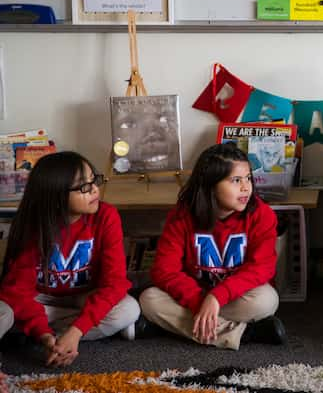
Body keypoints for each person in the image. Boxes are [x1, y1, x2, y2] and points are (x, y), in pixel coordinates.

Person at [138, 143, 285, 350]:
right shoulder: (182, 216)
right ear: (211, 185)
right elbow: (165, 270)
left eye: (248, 178)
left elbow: (261, 268)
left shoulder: (261, 214)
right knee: (149, 299)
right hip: (195, 292)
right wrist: (201, 302)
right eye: (236, 180)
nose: (246, 187)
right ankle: (243, 333)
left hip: (236, 296)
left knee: (266, 300)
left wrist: (216, 297)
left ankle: (174, 325)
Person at [0, 152, 139, 367]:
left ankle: (51, 338)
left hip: (82, 298)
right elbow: (18, 291)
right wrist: (43, 332)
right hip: (40, 299)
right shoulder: (31, 223)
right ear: (54, 195)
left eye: (94, 179)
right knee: (6, 311)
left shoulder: (106, 216)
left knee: (128, 309)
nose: (94, 189)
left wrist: (76, 331)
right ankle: (48, 337)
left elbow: (115, 283)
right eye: (83, 186)